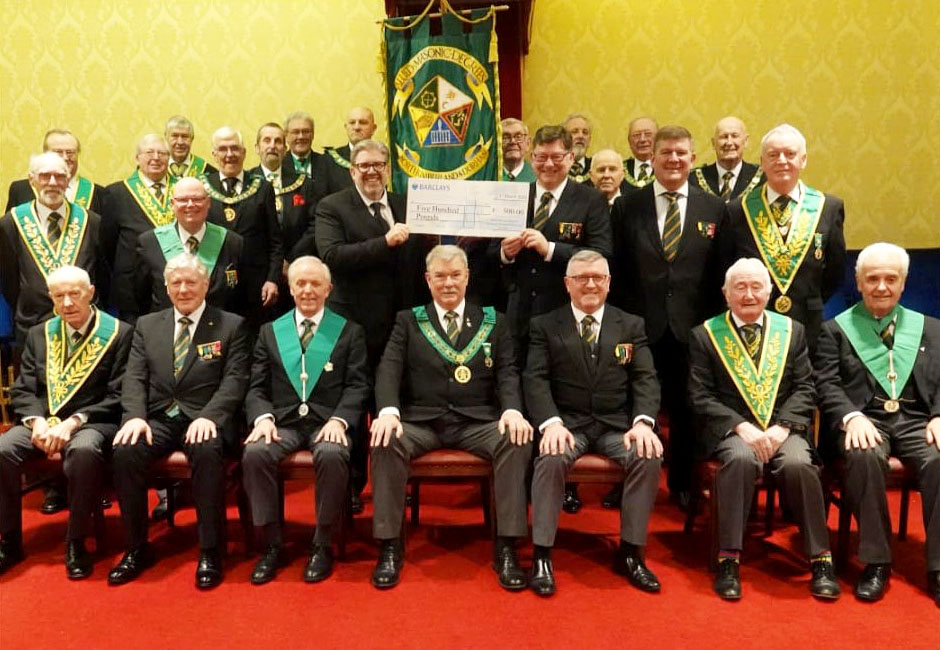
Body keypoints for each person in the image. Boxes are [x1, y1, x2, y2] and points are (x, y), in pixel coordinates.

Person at [369, 245, 533, 590]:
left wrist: (513, 411)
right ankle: (389, 546)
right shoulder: (408, 321)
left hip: (476, 422)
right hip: (422, 422)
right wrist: (387, 411)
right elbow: (388, 370)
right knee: (385, 439)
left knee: (515, 438)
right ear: (427, 280)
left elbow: (507, 373)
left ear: (467, 277)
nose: (448, 283)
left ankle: (507, 546)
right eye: (440, 276)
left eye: (455, 275)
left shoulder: (494, 320)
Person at [688, 258, 839, 600]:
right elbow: (699, 396)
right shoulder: (705, 335)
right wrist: (742, 427)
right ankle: (728, 559)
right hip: (733, 432)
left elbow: (806, 388)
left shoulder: (792, 331)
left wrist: (783, 427)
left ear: (769, 292)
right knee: (740, 461)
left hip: (784, 429)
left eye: (757, 286)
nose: (749, 294)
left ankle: (820, 559)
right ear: (726, 293)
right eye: (739, 287)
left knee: (800, 464)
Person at [107, 254, 250, 589]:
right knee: (126, 450)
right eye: (176, 283)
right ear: (167, 288)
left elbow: (235, 381)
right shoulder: (147, 325)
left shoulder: (232, 325)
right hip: (157, 419)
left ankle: (211, 550)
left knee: (206, 448)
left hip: (206, 419)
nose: (184, 289)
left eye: (191, 282)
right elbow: (134, 378)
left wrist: (211, 417)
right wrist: (134, 418)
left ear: (206, 285)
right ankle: (136, 548)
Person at [525, 250, 663, 596]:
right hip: (567, 425)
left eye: (598, 277)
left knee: (647, 455)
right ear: (567, 284)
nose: (590, 284)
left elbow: (646, 379)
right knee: (551, 457)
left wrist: (643, 423)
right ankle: (542, 554)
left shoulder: (630, 325)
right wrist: (551, 424)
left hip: (618, 426)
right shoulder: (544, 324)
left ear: (609, 283)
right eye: (582, 278)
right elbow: (535, 379)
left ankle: (631, 553)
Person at [815, 242, 940, 608]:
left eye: (890, 279)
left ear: (903, 283)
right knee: (864, 455)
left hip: (919, 419)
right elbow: (824, 383)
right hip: (864, 420)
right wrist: (850, 416)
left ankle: (937, 568)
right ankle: (876, 562)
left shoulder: (931, 329)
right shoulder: (834, 330)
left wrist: (939, 416)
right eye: (873, 279)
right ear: (859, 283)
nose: (881, 286)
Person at [610, 125, 725, 510]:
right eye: (666, 153)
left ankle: (682, 484)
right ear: (652, 159)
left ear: (693, 159)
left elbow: (718, 273)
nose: (674, 160)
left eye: (681, 153)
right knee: (630, 405)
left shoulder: (715, 209)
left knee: (687, 408)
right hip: (639, 326)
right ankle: (623, 481)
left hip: (692, 329)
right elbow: (618, 268)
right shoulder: (628, 205)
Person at [242, 256, 370, 584]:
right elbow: (256, 387)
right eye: (301, 283)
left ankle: (322, 544)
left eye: (315, 284)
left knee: (332, 452)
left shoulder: (349, 332)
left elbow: (358, 386)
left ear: (329, 289)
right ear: (291, 287)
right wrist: (263, 420)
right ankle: (270, 545)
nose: (308, 290)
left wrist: (341, 420)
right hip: (282, 423)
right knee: (255, 453)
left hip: (327, 422)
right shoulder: (271, 332)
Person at [0, 266, 132, 578]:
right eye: (60, 295)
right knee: (3, 449)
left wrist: (72, 422)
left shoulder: (119, 333)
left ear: (91, 292)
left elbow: (120, 395)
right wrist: (38, 423)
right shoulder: (38, 334)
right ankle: (9, 540)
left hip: (93, 422)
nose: (68, 302)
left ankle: (77, 541)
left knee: (84, 452)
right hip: (43, 422)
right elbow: (23, 389)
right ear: (51, 298)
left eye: (75, 293)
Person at [315, 139, 421, 512]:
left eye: (379, 164)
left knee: (399, 406)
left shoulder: (407, 203)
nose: (373, 171)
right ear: (352, 170)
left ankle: (399, 482)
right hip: (354, 327)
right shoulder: (333, 207)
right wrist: (385, 242)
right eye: (365, 165)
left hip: (403, 325)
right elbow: (332, 256)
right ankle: (353, 486)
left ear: (388, 168)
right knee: (356, 407)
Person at [718, 123, 846, 352]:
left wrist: (810, 299)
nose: (782, 161)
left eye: (790, 154)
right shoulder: (738, 210)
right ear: (762, 161)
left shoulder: (828, 207)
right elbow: (724, 266)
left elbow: (835, 271)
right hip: (753, 322)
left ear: (803, 160)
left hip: (809, 324)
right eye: (773, 155)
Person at [499, 124, 611, 366]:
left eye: (556, 157)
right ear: (532, 158)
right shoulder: (514, 196)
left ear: (570, 158)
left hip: (564, 315)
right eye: (541, 157)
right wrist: (504, 254)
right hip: (518, 316)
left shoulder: (591, 200)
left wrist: (549, 249)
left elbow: (600, 255)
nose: (548, 164)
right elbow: (488, 253)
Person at [1, 153, 106, 346]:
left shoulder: (92, 221)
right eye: (44, 176)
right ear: (32, 180)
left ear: (68, 181)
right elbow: (10, 280)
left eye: (59, 176)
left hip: (85, 327)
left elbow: (101, 274)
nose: (52, 182)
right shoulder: (11, 222)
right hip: (32, 327)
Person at [203, 126, 282, 327]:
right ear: (214, 154)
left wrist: (272, 279)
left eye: (235, 148)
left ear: (244, 152)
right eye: (223, 149)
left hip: (256, 286)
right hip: (214, 284)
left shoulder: (262, 187)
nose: (229, 155)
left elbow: (275, 240)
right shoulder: (202, 187)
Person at [134, 177, 243, 316]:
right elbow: (141, 298)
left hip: (219, 331)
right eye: (183, 200)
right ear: (172, 204)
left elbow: (241, 299)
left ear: (208, 203)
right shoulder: (149, 243)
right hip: (166, 331)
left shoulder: (232, 242)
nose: (190, 205)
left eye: (197, 199)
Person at [100, 134, 175, 321]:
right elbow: (107, 245)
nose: (156, 157)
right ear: (137, 158)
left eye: (162, 153)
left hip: (177, 288)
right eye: (149, 152)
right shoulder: (117, 193)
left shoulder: (185, 190)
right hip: (132, 292)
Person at [5, 129, 104, 214]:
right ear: (45, 154)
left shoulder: (97, 193)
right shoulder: (20, 190)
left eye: (70, 152)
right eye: (58, 152)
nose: (65, 157)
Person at [690, 116, 763, 201]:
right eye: (723, 137)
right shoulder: (694, 180)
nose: (729, 142)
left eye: (735, 136)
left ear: (745, 141)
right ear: (714, 143)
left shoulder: (762, 179)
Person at [322, 106, 378, 193]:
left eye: (363, 123)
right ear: (346, 127)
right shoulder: (329, 160)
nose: (356, 127)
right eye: (352, 123)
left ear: (374, 128)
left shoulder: (383, 157)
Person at [164, 115, 215, 180]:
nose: (180, 142)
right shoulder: (155, 169)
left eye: (185, 136)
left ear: (192, 138)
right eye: (175, 136)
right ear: (166, 137)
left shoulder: (209, 173)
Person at [622, 117, 658, 192]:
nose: (642, 139)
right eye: (636, 135)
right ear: (629, 141)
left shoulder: (667, 168)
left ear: (658, 138)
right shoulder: (620, 170)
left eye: (648, 134)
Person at [563, 114, 592, 182]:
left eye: (585, 132)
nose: (581, 136)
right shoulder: (555, 168)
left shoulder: (596, 168)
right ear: (563, 138)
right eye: (574, 132)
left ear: (589, 140)